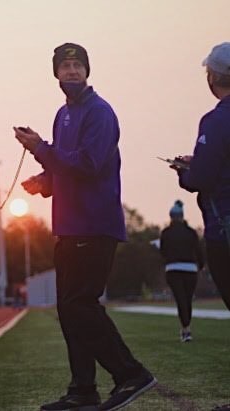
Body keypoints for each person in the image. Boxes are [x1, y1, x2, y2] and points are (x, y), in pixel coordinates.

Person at [13, 43, 156, 411]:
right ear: (56, 74)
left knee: (80, 304)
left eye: (78, 65)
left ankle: (130, 374)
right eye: (65, 66)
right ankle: (82, 390)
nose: (72, 71)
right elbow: (67, 165)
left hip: (94, 224)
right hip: (69, 225)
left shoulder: (99, 112)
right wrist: (45, 180)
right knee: (68, 307)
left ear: (87, 71)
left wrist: (40, 148)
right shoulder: (63, 114)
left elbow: (89, 165)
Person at [173, 42, 230, 311]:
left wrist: (186, 172)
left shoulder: (216, 121)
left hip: (224, 228)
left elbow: (201, 180)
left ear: (214, 77)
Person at [159, 200, 204, 342]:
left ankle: (185, 329)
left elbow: (163, 252)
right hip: (190, 269)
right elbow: (198, 251)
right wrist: (201, 266)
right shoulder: (191, 232)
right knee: (187, 299)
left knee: (180, 299)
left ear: (171, 216)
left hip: (173, 269)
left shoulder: (166, 233)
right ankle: (186, 327)